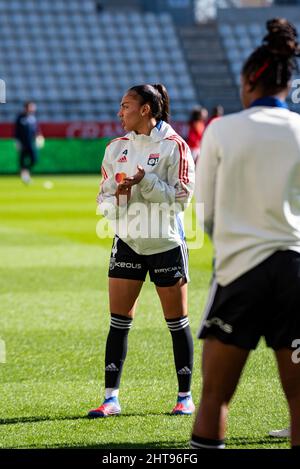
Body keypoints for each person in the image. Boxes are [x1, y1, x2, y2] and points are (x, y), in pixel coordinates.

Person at [191, 18, 300, 449]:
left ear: (249, 82)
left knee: (215, 397)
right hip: (295, 271)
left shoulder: (221, 130)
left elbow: (206, 212)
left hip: (239, 273)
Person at [89, 83, 195, 418]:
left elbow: (181, 199)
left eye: (126, 106)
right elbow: (103, 198)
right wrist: (118, 197)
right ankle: (110, 399)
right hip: (128, 243)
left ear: (145, 109)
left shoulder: (175, 146)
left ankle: (185, 396)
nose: (120, 112)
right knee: (118, 322)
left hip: (164, 244)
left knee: (176, 322)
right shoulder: (115, 148)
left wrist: (144, 181)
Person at [15, 101, 42, 184]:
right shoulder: (20, 117)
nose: (33, 108)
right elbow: (17, 130)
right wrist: (17, 141)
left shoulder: (33, 117)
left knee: (34, 159)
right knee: (22, 160)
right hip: (23, 143)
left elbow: (36, 129)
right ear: (26, 107)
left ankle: (26, 173)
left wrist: (39, 136)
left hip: (31, 143)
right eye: (31, 107)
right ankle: (25, 175)